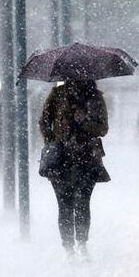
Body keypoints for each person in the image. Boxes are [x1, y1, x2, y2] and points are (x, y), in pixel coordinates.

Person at [39, 80, 110, 258]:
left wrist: (84, 121)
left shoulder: (95, 97)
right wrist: (53, 141)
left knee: (82, 203)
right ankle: (69, 247)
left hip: (86, 158)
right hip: (61, 159)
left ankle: (81, 243)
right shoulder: (57, 95)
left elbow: (103, 129)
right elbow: (44, 122)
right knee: (64, 204)